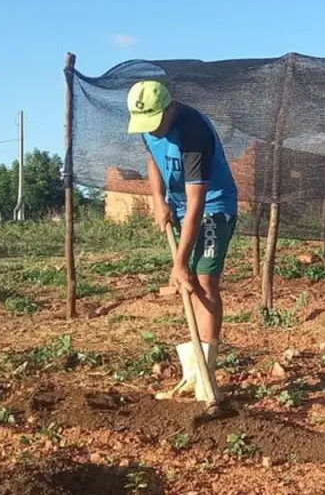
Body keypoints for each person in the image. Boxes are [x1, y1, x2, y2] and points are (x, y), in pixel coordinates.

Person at [125, 80, 238, 406]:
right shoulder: (149, 126)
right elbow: (153, 160)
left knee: (203, 283)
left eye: (157, 123)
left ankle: (206, 377)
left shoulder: (194, 133)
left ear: (170, 108)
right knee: (192, 285)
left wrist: (180, 264)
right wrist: (158, 200)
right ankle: (193, 376)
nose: (153, 131)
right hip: (180, 203)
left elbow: (197, 204)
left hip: (214, 206)